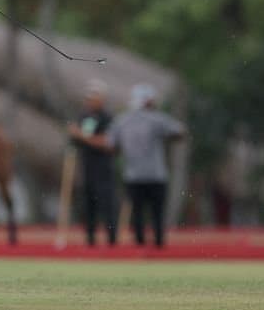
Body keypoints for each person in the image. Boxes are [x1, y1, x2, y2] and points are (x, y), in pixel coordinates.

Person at [70, 83, 187, 247]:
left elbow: (110, 145)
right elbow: (180, 131)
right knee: (156, 214)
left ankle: (139, 246)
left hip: (133, 175)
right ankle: (159, 245)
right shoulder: (157, 118)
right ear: (148, 101)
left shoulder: (122, 120)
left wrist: (82, 136)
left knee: (137, 214)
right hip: (156, 175)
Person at [65, 80, 117, 246]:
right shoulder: (84, 117)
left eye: (93, 98)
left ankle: (111, 240)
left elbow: (106, 143)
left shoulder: (107, 118)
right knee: (88, 205)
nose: (89, 101)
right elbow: (78, 140)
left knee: (106, 204)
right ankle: (90, 239)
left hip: (103, 169)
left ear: (101, 99)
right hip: (87, 168)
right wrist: (74, 137)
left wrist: (80, 135)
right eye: (87, 98)